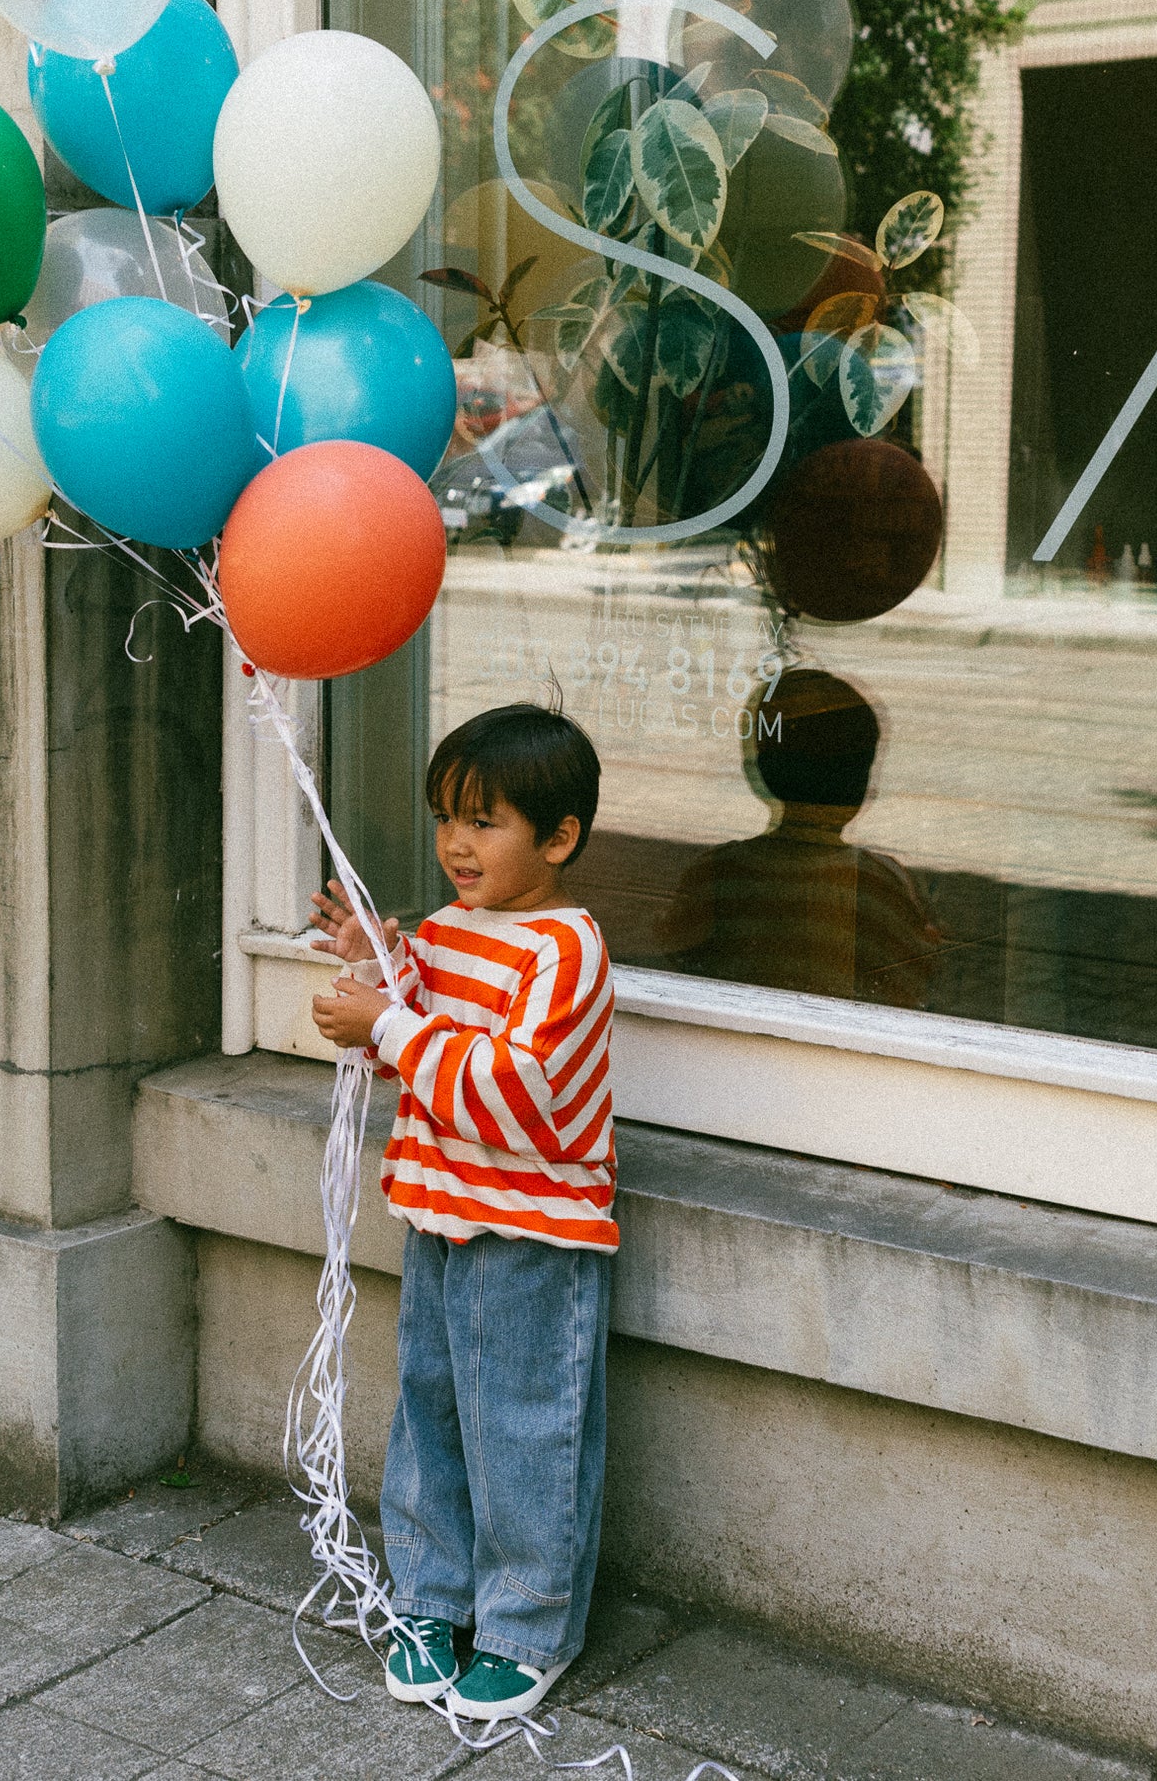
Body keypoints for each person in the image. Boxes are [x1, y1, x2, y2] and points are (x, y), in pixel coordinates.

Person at [309, 701, 614, 1726]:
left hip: (528, 1234)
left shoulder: (563, 951)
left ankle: (527, 1623)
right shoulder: (448, 933)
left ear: (558, 838)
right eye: (446, 817)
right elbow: (410, 1026)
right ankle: (431, 1599)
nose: (454, 842)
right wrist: (373, 963)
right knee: (431, 1412)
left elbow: (515, 1092)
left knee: (524, 1427)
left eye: (484, 820)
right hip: (440, 1215)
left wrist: (389, 1022)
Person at [660, 667, 939, 1006]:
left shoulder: (716, 872)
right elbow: (912, 982)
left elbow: (677, 959)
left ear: (760, 773)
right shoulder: (880, 880)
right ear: (862, 784)